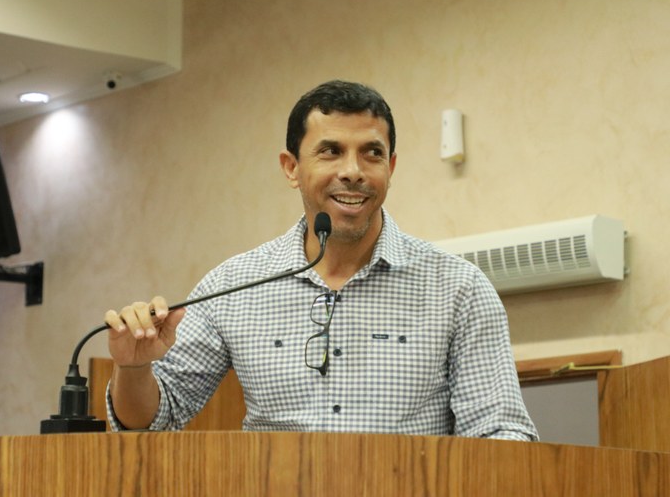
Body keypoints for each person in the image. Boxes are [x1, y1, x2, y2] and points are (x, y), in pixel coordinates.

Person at [105, 80, 539, 441]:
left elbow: (502, 435)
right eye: (331, 151)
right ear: (291, 168)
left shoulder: (458, 288)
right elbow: (153, 421)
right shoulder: (234, 286)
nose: (353, 171)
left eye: (371, 153)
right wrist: (134, 367)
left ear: (391, 167)